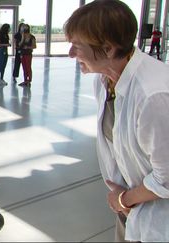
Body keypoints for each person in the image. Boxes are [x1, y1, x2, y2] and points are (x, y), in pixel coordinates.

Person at [65, 0, 169, 242]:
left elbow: (167, 177)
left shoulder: (152, 96)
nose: (71, 54)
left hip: (156, 218)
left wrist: (123, 200)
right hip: (132, 208)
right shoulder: (104, 81)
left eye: (77, 46)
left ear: (108, 49)